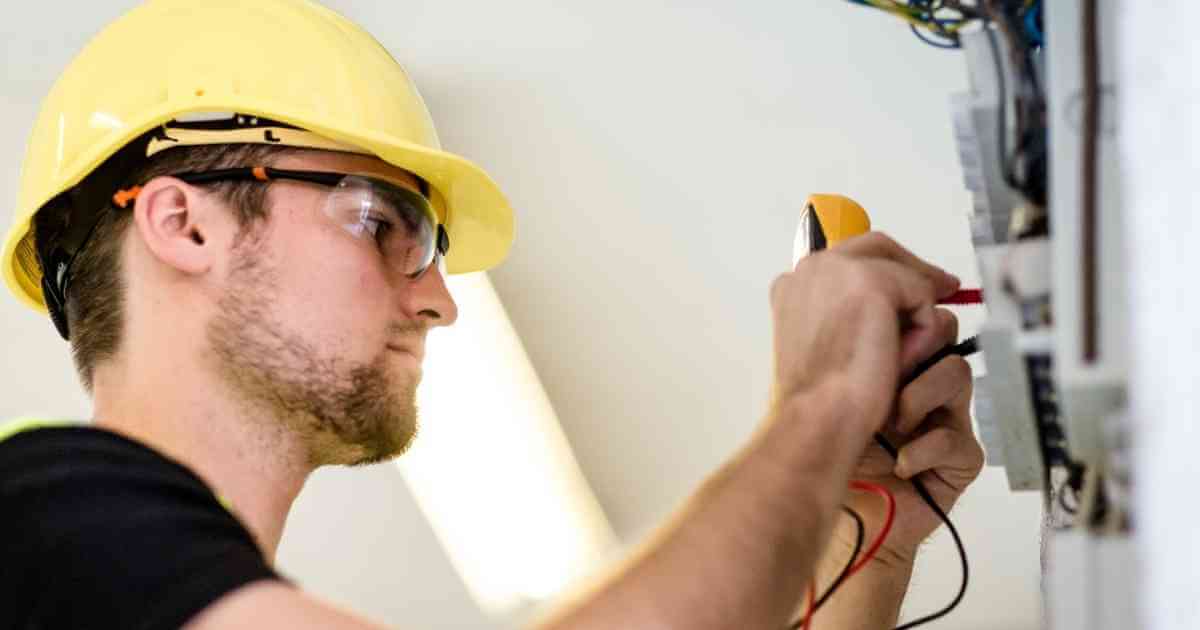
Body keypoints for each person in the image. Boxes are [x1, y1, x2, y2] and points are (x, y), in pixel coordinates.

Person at [0, 1, 983, 629]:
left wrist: (862, 530)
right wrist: (812, 406)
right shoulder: (30, 521)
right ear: (184, 222)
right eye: (385, 221)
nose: (434, 298)